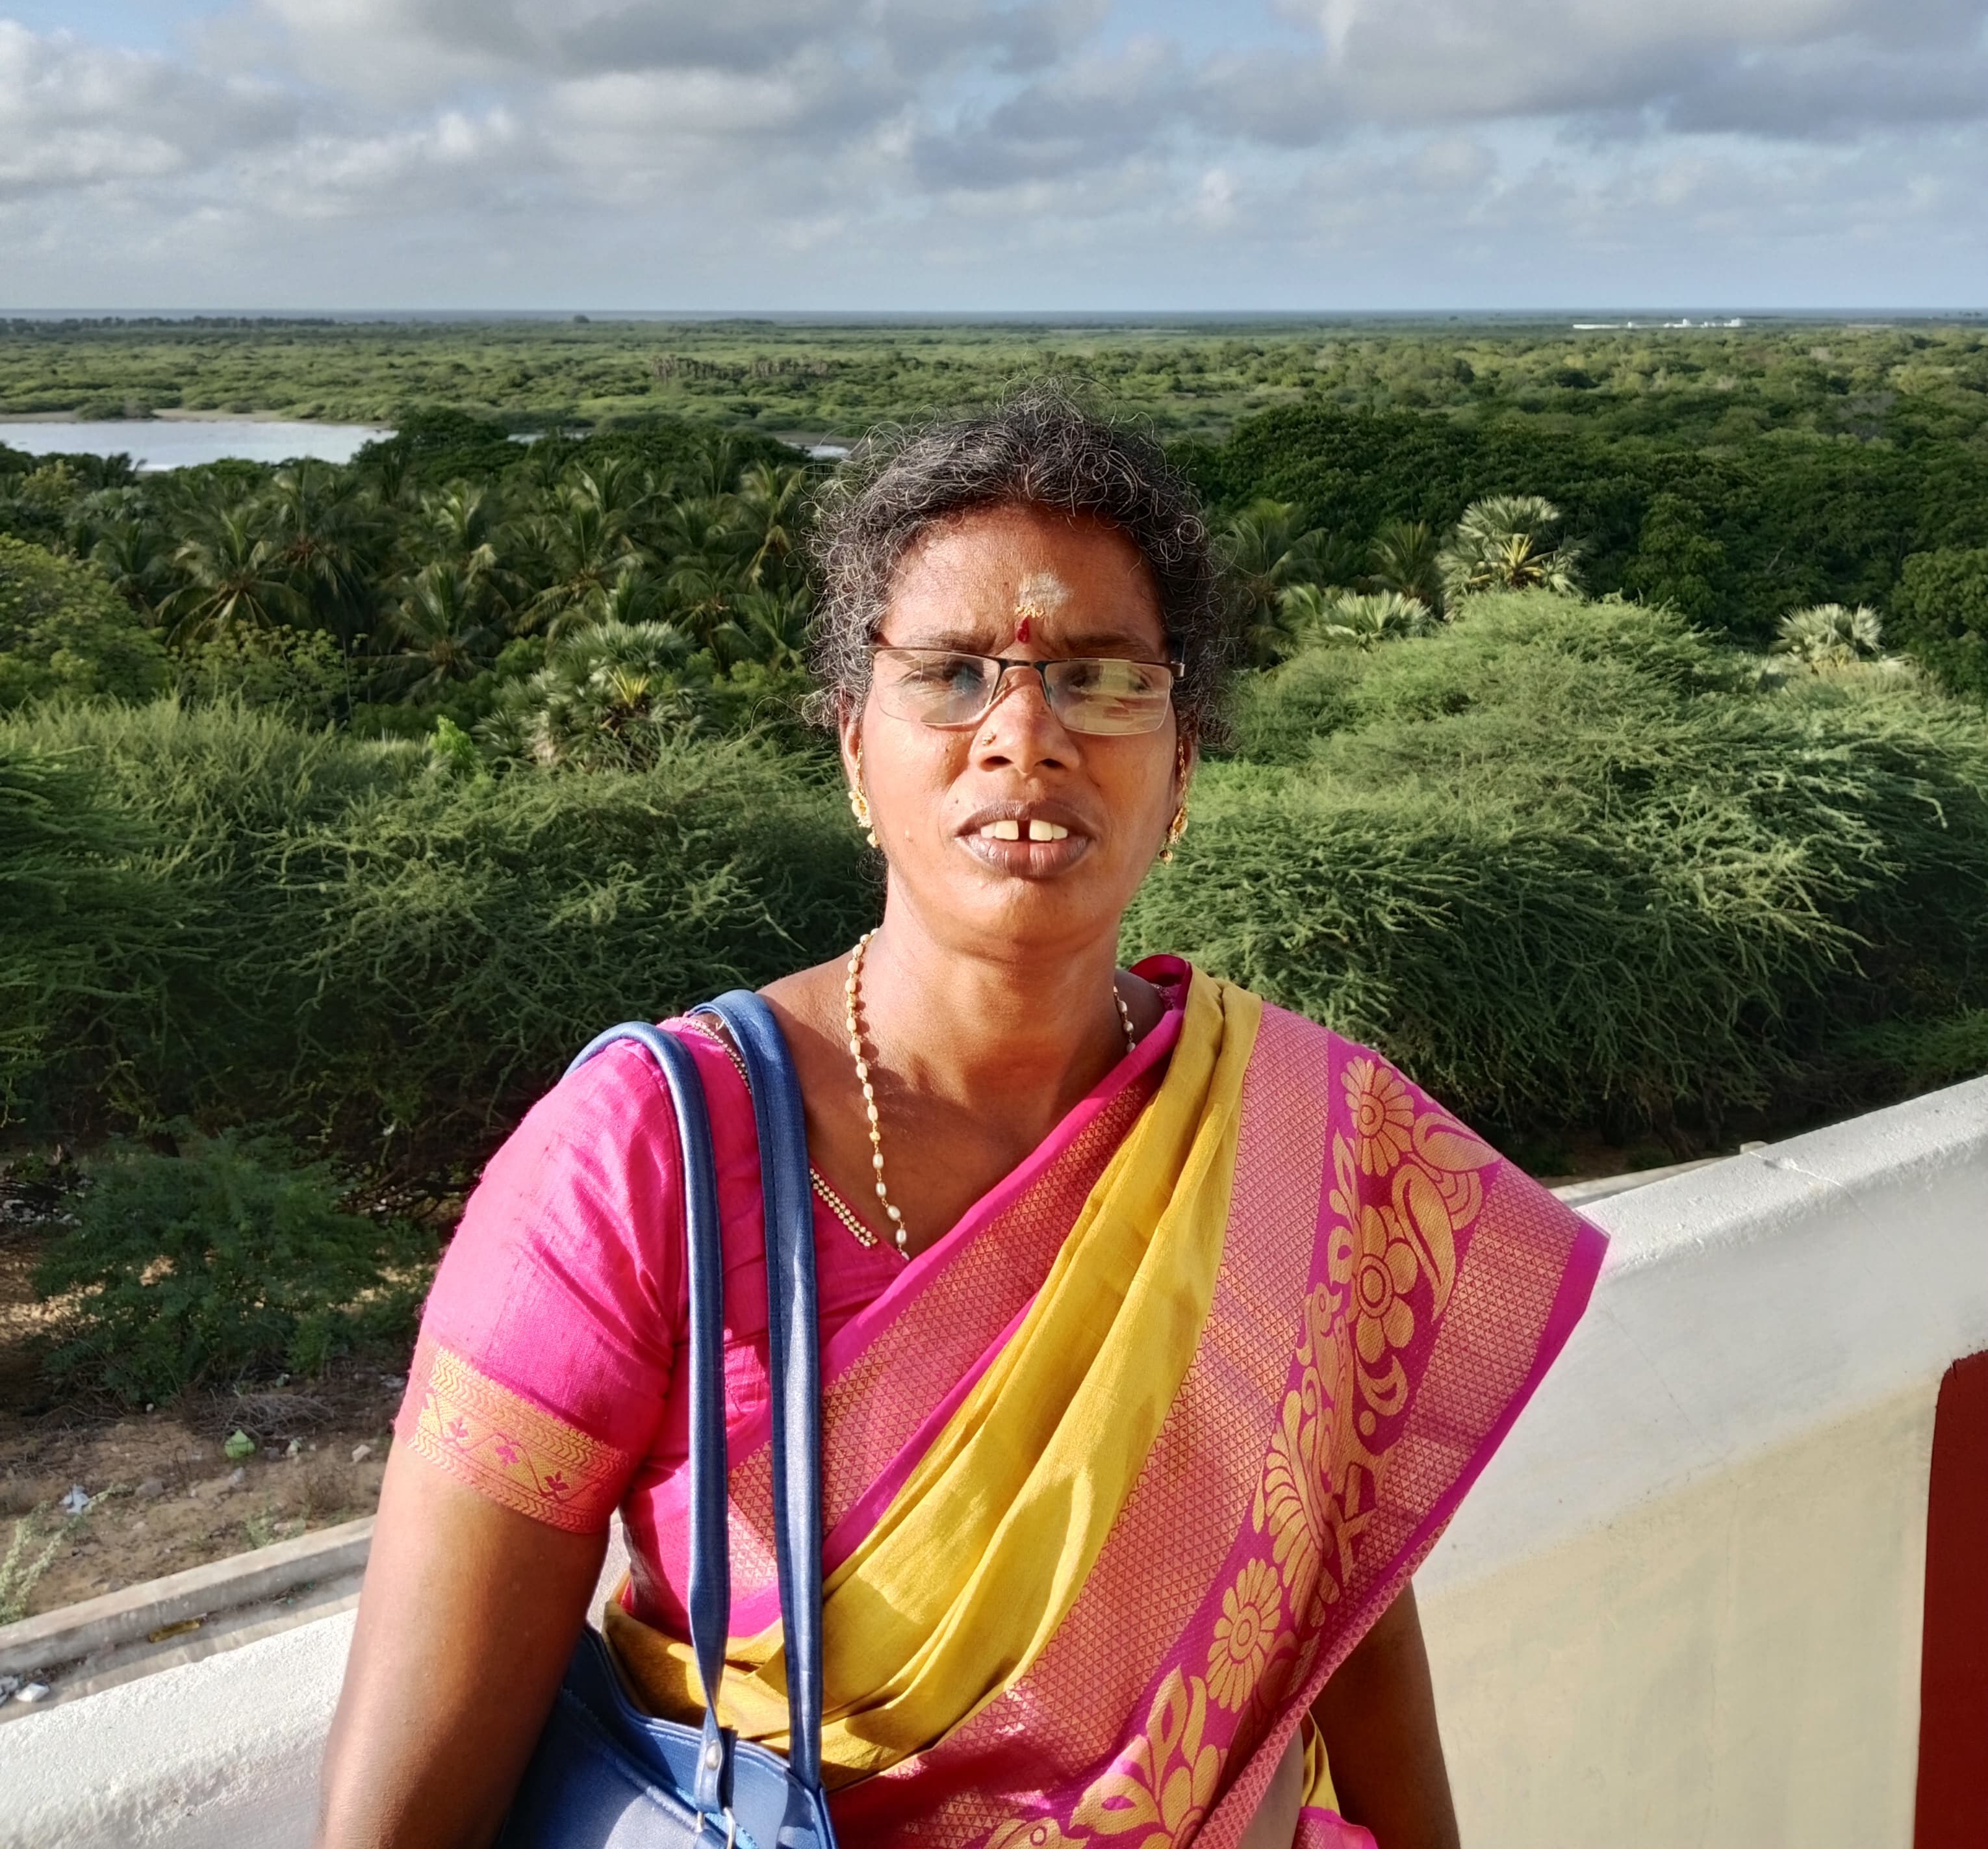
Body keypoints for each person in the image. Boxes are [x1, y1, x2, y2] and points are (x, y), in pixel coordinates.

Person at [320, 395, 1604, 1849]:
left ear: (1183, 766)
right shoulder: (641, 1158)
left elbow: (1331, 1594)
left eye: (1104, 678)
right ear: (854, 751)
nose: (1026, 735)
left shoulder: (1296, 1129)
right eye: (950, 675)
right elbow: (402, 1816)